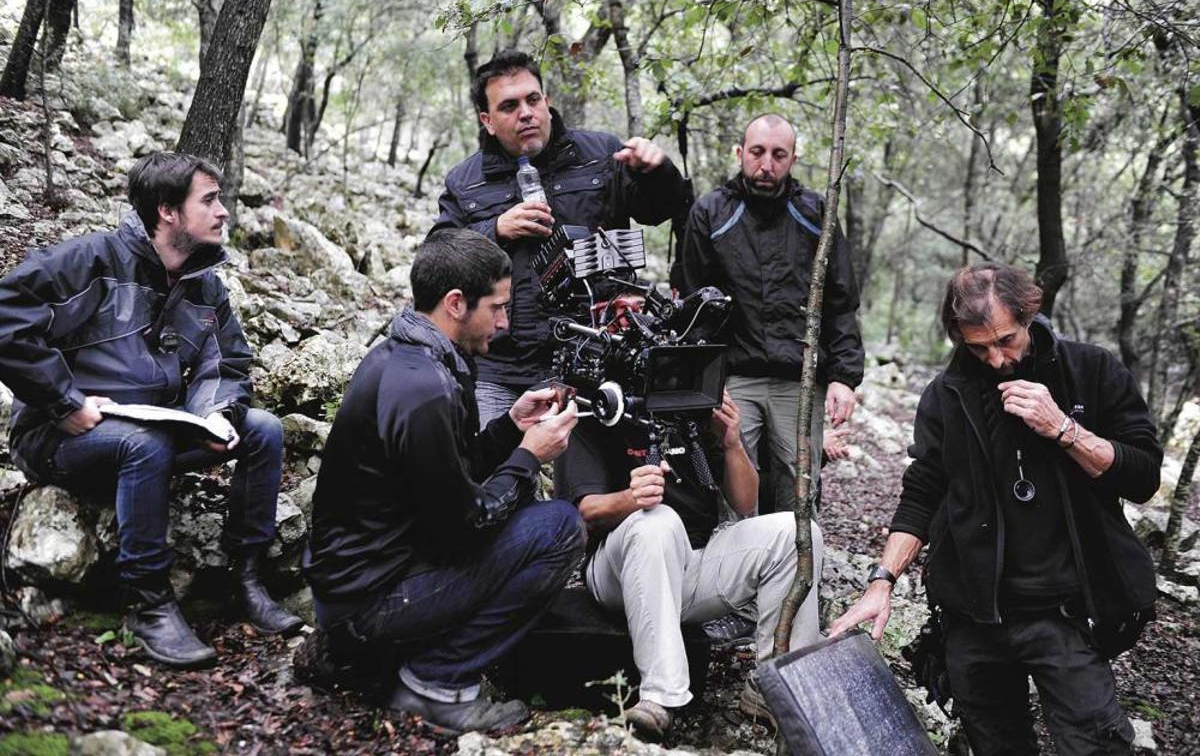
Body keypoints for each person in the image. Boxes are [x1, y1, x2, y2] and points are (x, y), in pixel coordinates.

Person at [831, 262, 1160, 756]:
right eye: (979, 347)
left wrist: (1064, 429)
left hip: (1065, 613)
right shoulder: (945, 395)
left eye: (1006, 340)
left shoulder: (1090, 370)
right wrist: (882, 582)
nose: (997, 359)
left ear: (1028, 316)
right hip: (973, 617)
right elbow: (922, 492)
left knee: (1095, 743)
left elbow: (1144, 477)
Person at [0, 152, 301, 667]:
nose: (224, 211)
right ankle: (150, 602)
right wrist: (63, 402)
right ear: (167, 211)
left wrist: (216, 415)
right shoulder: (92, 260)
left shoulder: (204, 284)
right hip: (60, 435)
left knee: (264, 429)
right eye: (210, 200)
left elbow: (227, 363)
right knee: (145, 443)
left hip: (156, 425)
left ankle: (246, 578)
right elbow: (7, 316)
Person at [303, 228, 585, 735]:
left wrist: (510, 428)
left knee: (527, 511)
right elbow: (463, 529)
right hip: (368, 603)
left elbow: (448, 476)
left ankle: (384, 659)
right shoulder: (426, 388)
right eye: (497, 308)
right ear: (456, 303)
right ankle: (435, 684)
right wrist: (529, 456)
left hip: (359, 586)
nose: (504, 322)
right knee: (560, 528)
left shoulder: (409, 355)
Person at [556, 302, 824, 738]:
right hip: (618, 568)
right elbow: (585, 512)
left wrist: (732, 442)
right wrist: (630, 498)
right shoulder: (597, 406)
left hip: (692, 563)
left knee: (798, 532)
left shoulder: (691, 402)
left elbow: (745, 503)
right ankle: (660, 697)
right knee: (657, 520)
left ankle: (776, 687)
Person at [431, 49, 687, 425]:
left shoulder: (602, 154)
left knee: (604, 464)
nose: (526, 113)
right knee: (495, 460)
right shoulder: (466, 182)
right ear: (487, 120)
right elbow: (436, 259)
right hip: (501, 369)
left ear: (547, 102)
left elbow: (662, 210)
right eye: (509, 106)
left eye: (533, 100)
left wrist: (658, 170)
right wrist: (495, 229)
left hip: (595, 359)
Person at [678, 113, 864, 512]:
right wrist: (706, 380)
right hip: (734, 377)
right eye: (757, 152)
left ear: (793, 159)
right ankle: (733, 554)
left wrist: (843, 377)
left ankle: (799, 557)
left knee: (799, 493)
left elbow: (841, 300)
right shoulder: (711, 211)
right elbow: (694, 307)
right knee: (733, 491)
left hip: (799, 377)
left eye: (779, 155)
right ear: (740, 153)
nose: (766, 164)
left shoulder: (815, 212)